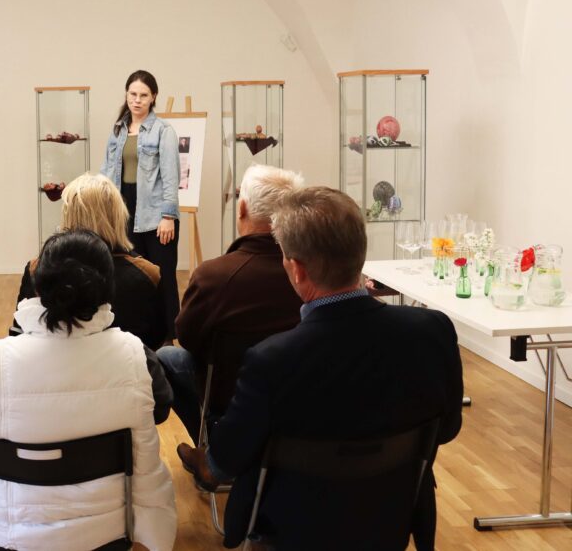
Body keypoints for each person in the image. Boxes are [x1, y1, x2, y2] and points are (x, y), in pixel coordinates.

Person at [184, 187, 464, 550]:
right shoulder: (433, 331)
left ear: (297, 269)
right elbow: (447, 429)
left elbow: (224, 464)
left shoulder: (272, 360)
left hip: (289, 529)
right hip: (391, 520)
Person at [0, 230, 177, 551]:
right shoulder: (138, 357)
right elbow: (160, 411)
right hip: (108, 529)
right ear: (107, 290)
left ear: (39, 288)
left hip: (2, 531)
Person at [160, 164, 304, 450]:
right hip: (296, 399)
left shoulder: (213, 276)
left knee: (166, 356)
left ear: (242, 208)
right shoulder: (310, 275)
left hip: (227, 397)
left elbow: (187, 338)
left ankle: (212, 445)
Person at [15, 173, 165, 349]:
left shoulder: (37, 269)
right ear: (118, 214)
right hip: (127, 363)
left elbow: (20, 331)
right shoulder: (148, 274)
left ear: (69, 215)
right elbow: (155, 338)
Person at [101, 70, 181, 341]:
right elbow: (106, 171)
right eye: (133, 94)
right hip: (123, 211)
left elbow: (171, 177)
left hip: (156, 214)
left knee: (163, 276)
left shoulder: (164, 131)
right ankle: (139, 334)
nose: (137, 100)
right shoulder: (117, 130)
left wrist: (168, 216)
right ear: (126, 95)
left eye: (143, 95)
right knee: (132, 276)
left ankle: (168, 337)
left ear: (153, 97)